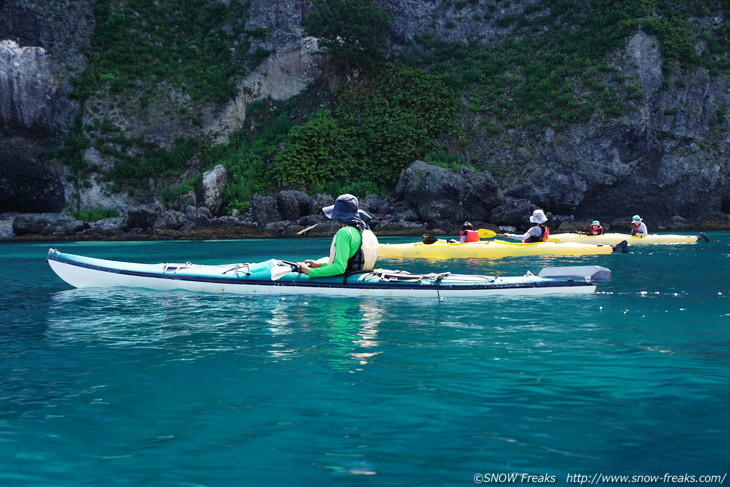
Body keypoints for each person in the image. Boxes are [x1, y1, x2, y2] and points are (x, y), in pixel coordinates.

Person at [296, 194, 378, 277]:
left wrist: (308, 271)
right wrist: (319, 265)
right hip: (362, 276)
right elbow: (348, 262)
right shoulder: (366, 231)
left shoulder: (344, 233)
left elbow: (339, 268)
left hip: (348, 280)